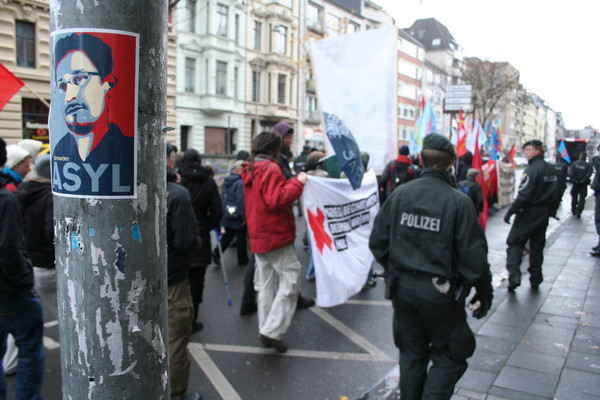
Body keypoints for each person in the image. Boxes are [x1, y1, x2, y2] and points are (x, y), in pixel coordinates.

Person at [369, 133, 492, 400]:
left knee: (412, 355)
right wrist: (484, 291)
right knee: (450, 356)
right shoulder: (458, 202)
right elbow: (475, 258)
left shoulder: (401, 195)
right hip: (441, 294)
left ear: (422, 159)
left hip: (403, 289)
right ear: (451, 164)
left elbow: (378, 242)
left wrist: (397, 266)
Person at [242, 131, 308, 353]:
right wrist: (298, 183)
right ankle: (271, 330)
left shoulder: (252, 166)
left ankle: (267, 327)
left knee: (265, 285)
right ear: (274, 148)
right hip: (274, 233)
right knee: (290, 280)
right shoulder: (270, 168)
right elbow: (276, 199)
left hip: (259, 233)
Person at [52, 32, 134, 197]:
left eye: (80, 79)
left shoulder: (130, 149)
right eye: (62, 86)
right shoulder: (58, 152)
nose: (70, 96)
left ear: (108, 84)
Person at [0, 137, 45, 399]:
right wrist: (25, 281)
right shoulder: (6, 199)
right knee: (30, 350)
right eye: (27, 161)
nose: (30, 166)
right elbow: (9, 249)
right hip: (11, 291)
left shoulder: (12, 194)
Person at [165, 142, 202, 400]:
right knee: (177, 336)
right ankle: (176, 393)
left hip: (137, 277)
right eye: (171, 155)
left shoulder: (130, 187)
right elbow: (185, 241)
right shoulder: (176, 194)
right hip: (172, 275)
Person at [504, 139, 561, 291]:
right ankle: (536, 277)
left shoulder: (532, 170)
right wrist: (552, 210)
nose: (526, 153)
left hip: (528, 212)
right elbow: (558, 192)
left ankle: (514, 276)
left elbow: (524, 195)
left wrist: (510, 212)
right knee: (537, 247)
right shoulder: (552, 169)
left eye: (528, 150)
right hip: (543, 214)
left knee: (515, 242)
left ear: (537, 150)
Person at [178, 149, 222, 333]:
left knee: (180, 279)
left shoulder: (178, 179)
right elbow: (217, 210)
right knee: (197, 280)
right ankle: (192, 319)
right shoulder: (209, 181)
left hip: (179, 233)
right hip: (200, 234)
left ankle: (178, 318)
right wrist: (207, 226)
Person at [15, 154, 57, 321]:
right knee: (67, 315)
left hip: (29, 263)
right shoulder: (50, 196)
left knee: (31, 315)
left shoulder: (21, 191)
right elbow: (51, 232)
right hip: (47, 265)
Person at [214, 160, 249, 267]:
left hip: (228, 212)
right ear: (239, 170)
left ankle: (216, 253)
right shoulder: (240, 182)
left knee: (228, 235)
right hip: (238, 214)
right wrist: (244, 217)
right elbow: (241, 201)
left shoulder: (227, 180)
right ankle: (242, 260)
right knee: (241, 237)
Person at [568, 152, 592, 218]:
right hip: (583, 184)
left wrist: (574, 180)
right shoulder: (588, 165)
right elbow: (589, 174)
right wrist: (583, 180)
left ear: (580, 156)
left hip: (575, 184)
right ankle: (579, 212)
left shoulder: (574, 164)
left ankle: (573, 210)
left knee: (574, 198)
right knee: (582, 198)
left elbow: (571, 173)